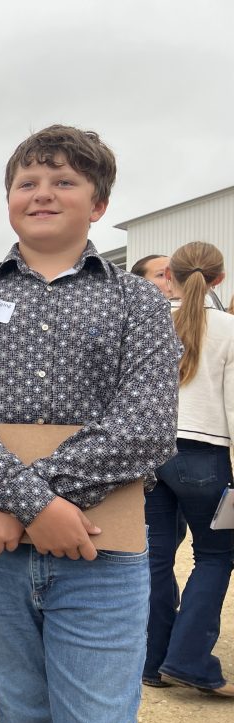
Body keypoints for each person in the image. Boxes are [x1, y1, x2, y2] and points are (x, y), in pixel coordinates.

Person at [0, 125, 182, 723]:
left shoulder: (138, 303)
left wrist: (23, 503)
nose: (42, 193)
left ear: (98, 203)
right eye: (27, 182)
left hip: (100, 552)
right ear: (8, 198)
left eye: (64, 181)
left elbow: (145, 426)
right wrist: (36, 507)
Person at [143, 241, 234, 697]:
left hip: (148, 450)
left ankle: (152, 659)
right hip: (204, 451)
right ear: (219, 279)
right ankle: (189, 659)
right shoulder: (230, 329)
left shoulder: (146, 322)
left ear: (170, 276)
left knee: (153, 558)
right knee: (216, 555)